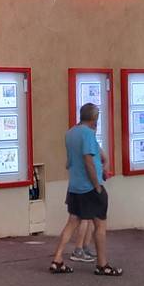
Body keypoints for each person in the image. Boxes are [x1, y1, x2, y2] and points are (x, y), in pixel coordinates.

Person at [49, 103, 123, 276]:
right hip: (89, 187)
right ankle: (102, 264)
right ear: (94, 119)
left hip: (74, 186)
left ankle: (57, 259)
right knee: (100, 225)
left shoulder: (70, 133)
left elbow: (69, 162)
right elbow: (88, 160)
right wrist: (97, 185)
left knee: (72, 222)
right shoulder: (88, 134)